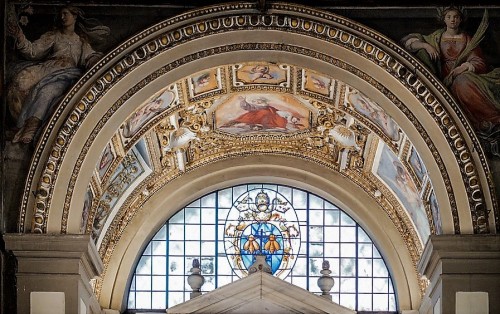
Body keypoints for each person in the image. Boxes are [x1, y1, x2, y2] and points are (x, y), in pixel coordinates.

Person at [7, 5, 109, 144]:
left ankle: (31, 129)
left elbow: (89, 57)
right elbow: (33, 51)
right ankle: (18, 123)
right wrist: (20, 36)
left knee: (46, 91)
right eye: (61, 14)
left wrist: (96, 60)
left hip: (67, 76)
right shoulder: (53, 35)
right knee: (20, 82)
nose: (63, 17)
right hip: (47, 70)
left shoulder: (81, 41)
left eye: (66, 13)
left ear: (75, 16)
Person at [401, 6, 500, 132]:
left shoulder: (467, 39)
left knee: (462, 81)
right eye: (449, 17)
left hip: (462, 76)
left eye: (456, 17)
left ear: (460, 20)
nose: (452, 20)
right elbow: (408, 44)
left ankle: (491, 118)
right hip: (443, 79)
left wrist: (464, 67)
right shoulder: (436, 37)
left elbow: (479, 61)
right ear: (444, 19)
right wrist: (425, 45)